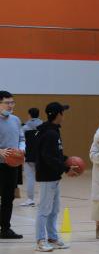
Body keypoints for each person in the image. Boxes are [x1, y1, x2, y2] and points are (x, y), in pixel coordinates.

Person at [34, 102, 80, 251]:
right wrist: (66, 168)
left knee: (54, 210)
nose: (63, 115)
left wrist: (66, 160)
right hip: (47, 177)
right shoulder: (49, 133)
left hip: (54, 176)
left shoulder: (53, 130)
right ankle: (40, 241)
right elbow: (48, 157)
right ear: (58, 115)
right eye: (62, 112)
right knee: (44, 210)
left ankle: (52, 237)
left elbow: (55, 154)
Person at [0, 90, 26, 239]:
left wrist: (21, 149)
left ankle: (5, 229)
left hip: (12, 165)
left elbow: (21, 138)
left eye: (12, 102)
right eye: (7, 103)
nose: (10, 105)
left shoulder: (16, 120)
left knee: (8, 197)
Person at [20, 107, 42, 207]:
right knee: (43, 179)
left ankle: (30, 199)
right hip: (41, 156)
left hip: (29, 155)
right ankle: (43, 200)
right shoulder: (44, 126)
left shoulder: (24, 128)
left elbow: (21, 141)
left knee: (30, 178)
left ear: (29, 115)